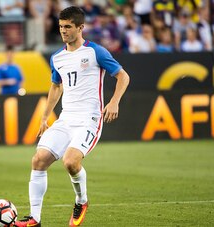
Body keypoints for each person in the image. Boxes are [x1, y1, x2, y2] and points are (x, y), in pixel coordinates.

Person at [15, 6, 130, 227]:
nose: (63, 31)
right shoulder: (57, 58)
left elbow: (123, 77)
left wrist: (114, 101)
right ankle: (34, 219)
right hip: (66, 119)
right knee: (38, 160)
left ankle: (81, 201)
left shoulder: (96, 52)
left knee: (70, 161)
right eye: (60, 27)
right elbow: (56, 87)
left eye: (68, 27)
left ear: (80, 28)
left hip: (90, 119)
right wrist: (44, 117)